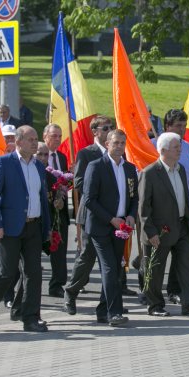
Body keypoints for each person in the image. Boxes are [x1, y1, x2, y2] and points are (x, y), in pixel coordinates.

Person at [0, 125, 51, 332]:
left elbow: (41, 199)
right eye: (30, 139)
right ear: (18, 142)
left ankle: (29, 317)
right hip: (8, 228)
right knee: (8, 273)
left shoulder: (38, 166)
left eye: (36, 139)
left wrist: (46, 227)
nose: (34, 143)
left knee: (34, 273)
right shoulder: (3, 163)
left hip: (33, 227)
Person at [139, 132, 189, 316]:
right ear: (163, 150)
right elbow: (143, 208)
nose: (180, 150)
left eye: (179, 147)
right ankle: (155, 305)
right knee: (155, 270)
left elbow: (183, 198)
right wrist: (151, 232)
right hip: (159, 230)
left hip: (182, 227)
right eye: (175, 147)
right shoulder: (149, 173)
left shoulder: (180, 169)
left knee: (187, 264)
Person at [64, 116, 129, 316]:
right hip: (93, 214)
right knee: (87, 257)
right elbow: (80, 184)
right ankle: (71, 291)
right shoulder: (87, 154)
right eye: (105, 128)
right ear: (95, 132)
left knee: (111, 263)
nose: (110, 130)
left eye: (112, 127)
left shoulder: (120, 155)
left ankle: (107, 304)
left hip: (115, 217)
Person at [83, 129, 139, 326]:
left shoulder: (130, 168)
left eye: (123, 143)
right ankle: (114, 312)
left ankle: (102, 310)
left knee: (116, 268)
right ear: (107, 144)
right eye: (116, 143)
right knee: (109, 269)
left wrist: (131, 215)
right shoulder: (96, 166)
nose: (119, 147)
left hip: (122, 227)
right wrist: (111, 219)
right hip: (101, 227)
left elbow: (134, 197)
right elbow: (89, 199)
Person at [162, 109, 189, 305]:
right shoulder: (153, 146)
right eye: (178, 126)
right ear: (167, 127)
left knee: (182, 254)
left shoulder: (188, 149)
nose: (182, 130)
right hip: (160, 213)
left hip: (182, 211)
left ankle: (175, 291)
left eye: (184, 126)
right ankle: (149, 290)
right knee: (155, 255)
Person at [43, 124, 70, 297]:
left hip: (60, 211)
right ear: (45, 136)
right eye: (54, 136)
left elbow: (65, 182)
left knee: (60, 250)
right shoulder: (39, 156)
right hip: (44, 210)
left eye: (60, 136)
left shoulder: (61, 157)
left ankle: (57, 284)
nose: (57, 139)